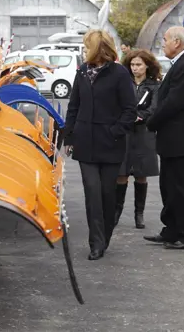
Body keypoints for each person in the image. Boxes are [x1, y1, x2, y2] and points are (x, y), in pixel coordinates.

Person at [63, 29, 137, 261]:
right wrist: (69, 136)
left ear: (98, 48)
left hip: (111, 144)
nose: (84, 50)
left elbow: (129, 110)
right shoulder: (82, 72)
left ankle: (105, 235)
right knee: (92, 193)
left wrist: (115, 131)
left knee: (107, 194)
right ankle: (96, 242)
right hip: (86, 143)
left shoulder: (119, 74)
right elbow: (74, 105)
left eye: (87, 46)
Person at [145, 26, 184, 250]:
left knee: (182, 188)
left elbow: (174, 102)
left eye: (165, 40)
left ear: (177, 42)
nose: (162, 43)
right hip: (174, 138)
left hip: (181, 137)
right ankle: (171, 230)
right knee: (169, 186)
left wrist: (151, 122)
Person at [115, 49, 162, 229]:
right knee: (122, 173)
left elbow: (155, 107)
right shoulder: (123, 83)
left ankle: (139, 213)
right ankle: (117, 210)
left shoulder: (154, 85)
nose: (135, 68)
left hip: (144, 132)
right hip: (125, 132)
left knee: (141, 174)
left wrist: (141, 116)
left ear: (147, 66)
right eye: (132, 65)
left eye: (138, 65)